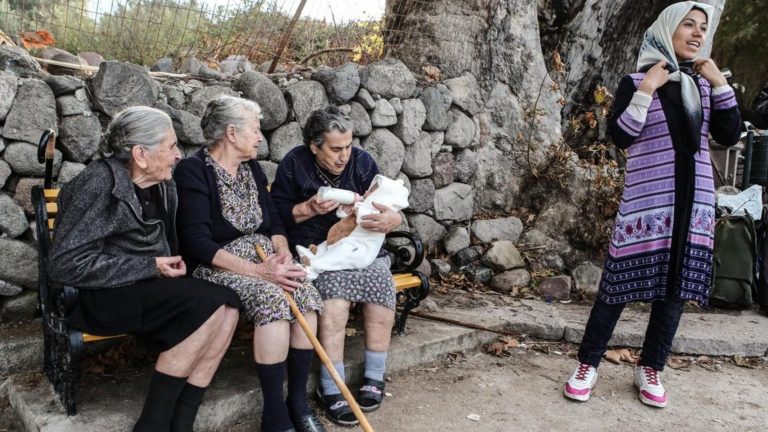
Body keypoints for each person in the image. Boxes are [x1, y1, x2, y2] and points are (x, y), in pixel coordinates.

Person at [562, 1, 741, 408]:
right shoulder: (635, 80)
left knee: (674, 292)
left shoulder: (704, 86)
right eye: (688, 25)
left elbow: (729, 136)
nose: (697, 33)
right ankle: (587, 364)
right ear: (667, 29)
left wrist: (720, 84)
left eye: (702, 27)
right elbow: (622, 136)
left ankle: (651, 367)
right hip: (647, 208)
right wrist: (646, 90)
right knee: (617, 288)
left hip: (692, 207)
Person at [48, 106, 242, 432]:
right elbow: (64, 265)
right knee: (207, 306)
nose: (178, 155)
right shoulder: (97, 184)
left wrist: (167, 262)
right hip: (104, 295)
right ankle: (152, 425)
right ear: (140, 153)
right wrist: (150, 265)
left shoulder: (161, 183)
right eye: (170, 146)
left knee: (228, 304)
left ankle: (181, 422)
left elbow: (166, 241)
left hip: (146, 286)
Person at [173, 95, 325, 432]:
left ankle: (297, 404)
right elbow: (197, 242)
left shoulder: (252, 168)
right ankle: (274, 415)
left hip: (264, 258)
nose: (260, 137)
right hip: (218, 266)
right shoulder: (193, 170)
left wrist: (282, 254)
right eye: (254, 130)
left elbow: (274, 222)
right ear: (231, 133)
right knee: (271, 298)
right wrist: (260, 271)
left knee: (305, 294)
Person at [271, 106, 402, 426]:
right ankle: (332, 387)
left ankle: (374, 377)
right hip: (317, 254)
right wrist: (309, 207)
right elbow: (275, 216)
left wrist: (391, 219)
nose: (344, 155)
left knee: (380, 288)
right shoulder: (294, 164)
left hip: (361, 249)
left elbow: (391, 204)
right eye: (335, 148)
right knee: (334, 301)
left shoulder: (362, 162)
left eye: (348, 146)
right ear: (314, 146)